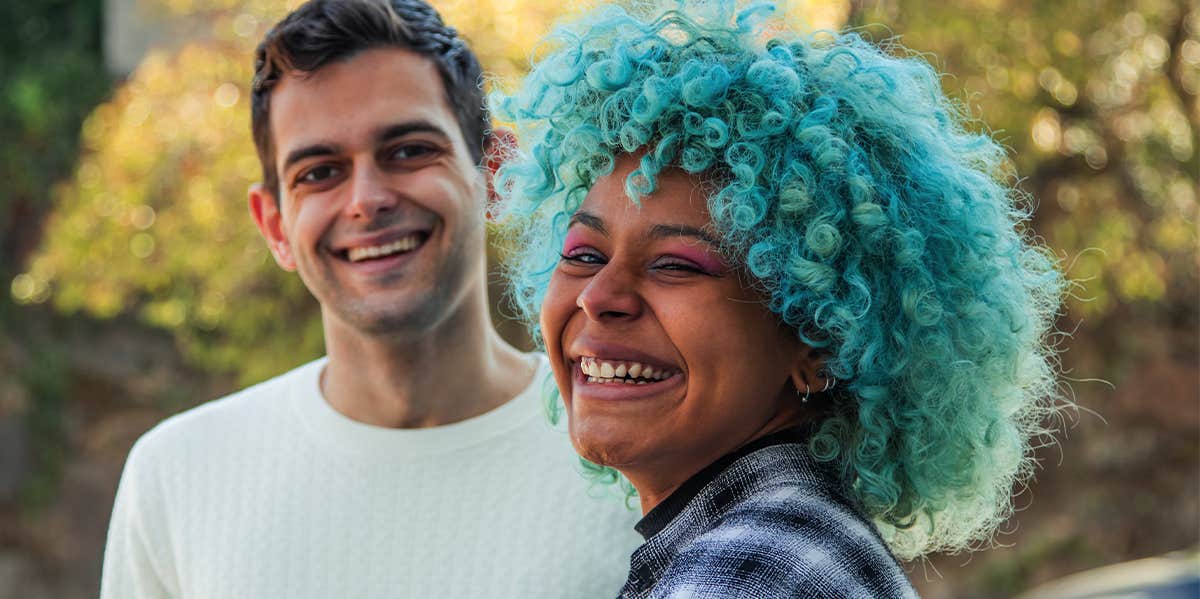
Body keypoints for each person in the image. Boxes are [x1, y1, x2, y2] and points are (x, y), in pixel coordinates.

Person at [492, 1, 1066, 597]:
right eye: (584, 255)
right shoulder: (790, 544)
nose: (598, 296)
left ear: (820, 341)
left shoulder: (746, 572)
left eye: (675, 265)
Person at [99, 0, 640, 597]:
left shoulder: (633, 457)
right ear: (275, 224)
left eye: (407, 151)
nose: (365, 199)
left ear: (494, 173)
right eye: (319, 172)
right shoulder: (179, 476)